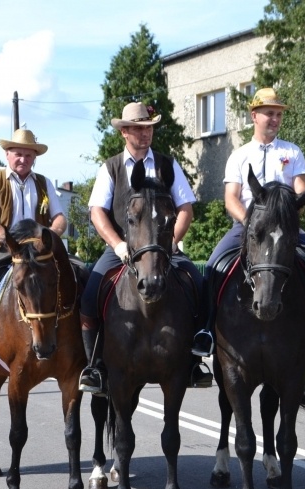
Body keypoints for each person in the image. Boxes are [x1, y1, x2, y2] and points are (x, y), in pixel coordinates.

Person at [192, 87, 305, 358]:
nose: (275, 119)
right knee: (213, 265)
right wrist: (250, 223)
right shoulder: (239, 155)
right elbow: (231, 198)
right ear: (254, 116)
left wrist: (291, 211)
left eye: (278, 114)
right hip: (246, 228)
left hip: (285, 230)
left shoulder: (292, 151)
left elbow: (300, 189)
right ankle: (206, 329)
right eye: (269, 113)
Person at [78, 102, 212, 395]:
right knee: (89, 298)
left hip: (164, 248)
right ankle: (95, 366)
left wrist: (173, 242)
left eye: (148, 128)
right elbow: (97, 212)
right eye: (138, 128)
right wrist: (118, 244)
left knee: (199, 286)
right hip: (121, 248)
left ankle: (194, 359)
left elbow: (186, 209)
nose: (145, 133)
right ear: (124, 132)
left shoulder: (168, 164)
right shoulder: (111, 167)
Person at [0, 129, 67, 362]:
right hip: (1, 248)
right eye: (18, 154)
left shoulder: (44, 183)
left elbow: (60, 217)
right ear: (7, 154)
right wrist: (8, 240)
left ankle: (77, 331)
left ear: (34, 158)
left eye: (28, 155)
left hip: (39, 252)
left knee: (76, 272)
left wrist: (48, 236)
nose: (23, 159)